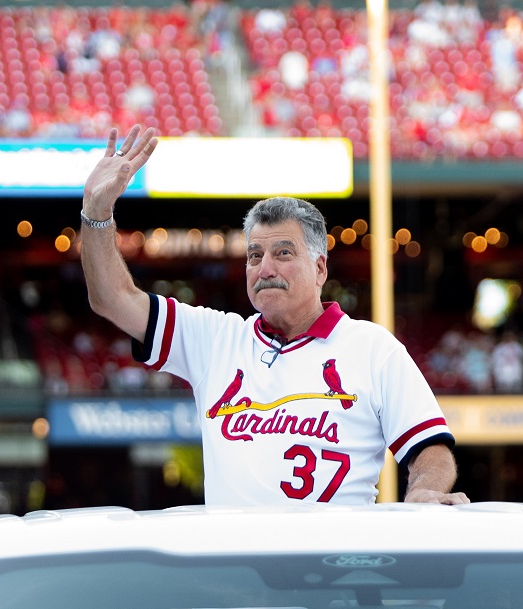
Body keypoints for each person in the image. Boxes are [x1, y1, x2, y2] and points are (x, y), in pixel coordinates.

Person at [80, 125, 469, 507]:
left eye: (283, 253)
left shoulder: (372, 348)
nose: (264, 268)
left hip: (338, 563)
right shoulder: (215, 338)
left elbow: (428, 445)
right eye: (254, 256)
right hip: (238, 568)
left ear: (319, 269)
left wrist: (424, 490)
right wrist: (96, 213)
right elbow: (112, 298)